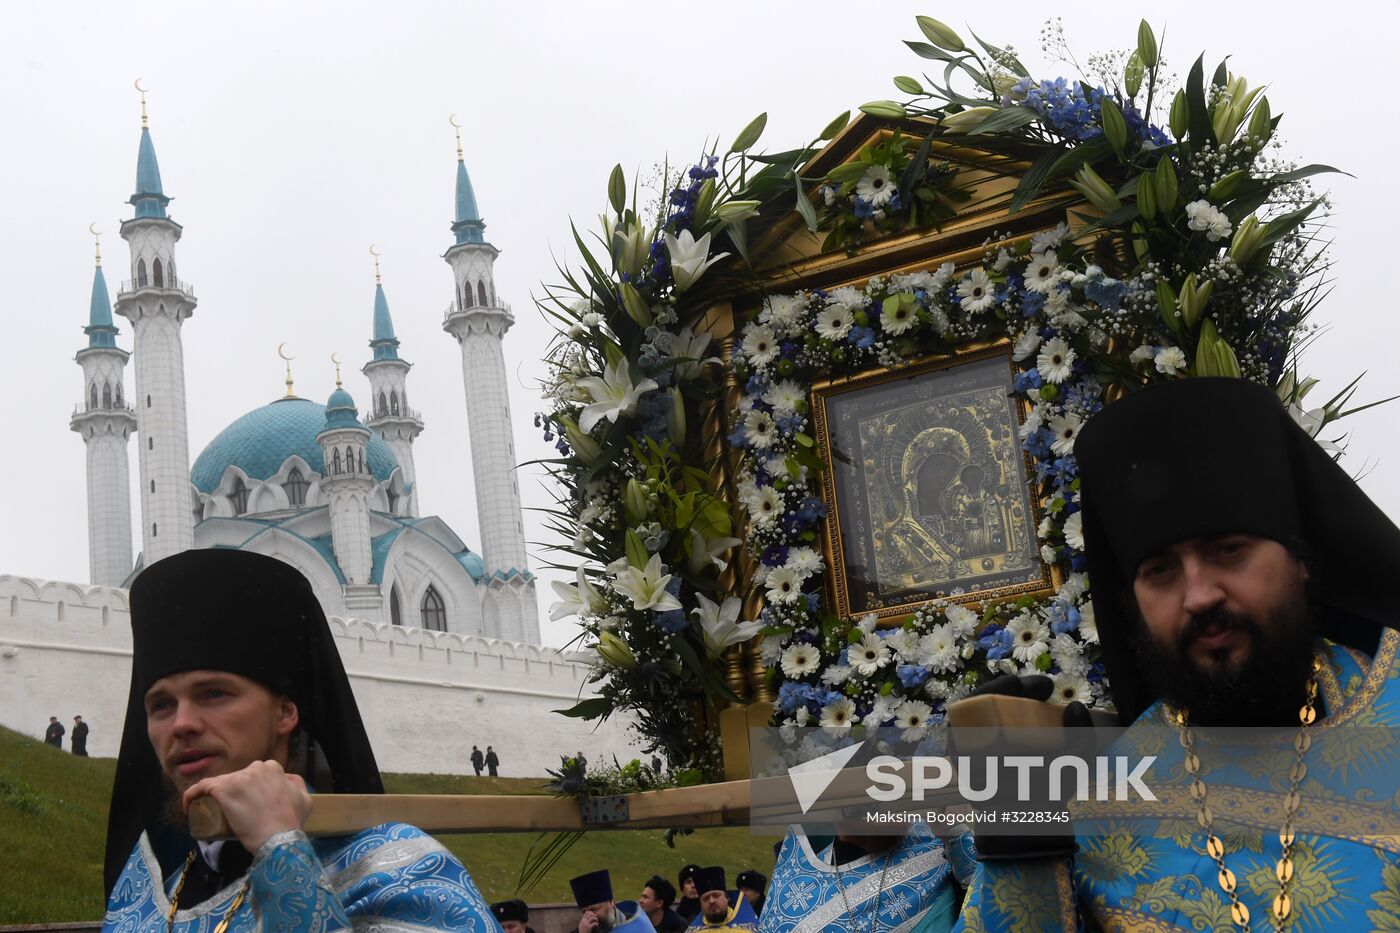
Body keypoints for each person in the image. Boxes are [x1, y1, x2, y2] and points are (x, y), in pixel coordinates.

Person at [954, 378, 1400, 930]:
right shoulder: (1106, 791)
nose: (1199, 596)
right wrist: (1022, 847)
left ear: (1301, 560)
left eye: (1229, 550)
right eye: (1160, 571)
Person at [101, 549, 500, 931]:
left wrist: (281, 852)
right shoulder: (145, 891)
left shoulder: (399, 870)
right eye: (161, 705)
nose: (182, 723)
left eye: (214, 694)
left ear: (286, 713)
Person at [759, 821, 975, 933]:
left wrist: (956, 837)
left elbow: (997, 917)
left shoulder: (945, 850)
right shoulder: (795, 888)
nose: (845, 834)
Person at [570, 868, 656, 931]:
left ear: (611, 902)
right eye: (584, 912)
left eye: (594, 909)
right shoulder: (584, 929)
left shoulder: (636, 926)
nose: (589, 916)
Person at [686, 866, 758, 930]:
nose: (711, 901)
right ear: (700, 904)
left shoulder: (748, 930)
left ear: (727, 897)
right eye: (706, 898)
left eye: (716, 895)